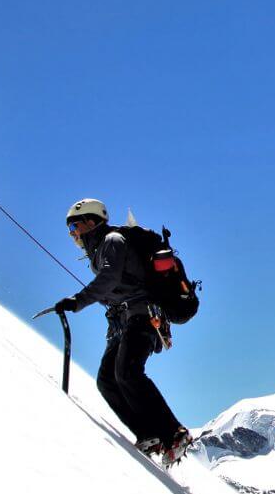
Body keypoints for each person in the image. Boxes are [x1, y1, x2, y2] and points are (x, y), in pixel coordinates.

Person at [54, 199, 192, 464]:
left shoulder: (113, 240)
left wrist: (78, 300)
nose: (72, 233)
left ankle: (173, 433)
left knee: (128, 372)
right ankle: (149, 434)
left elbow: (110, 279)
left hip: (143, 315)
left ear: (91, 222)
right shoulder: (100, 248)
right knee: (107, 380)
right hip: (125, 321)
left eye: (74, 225)